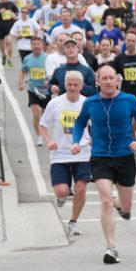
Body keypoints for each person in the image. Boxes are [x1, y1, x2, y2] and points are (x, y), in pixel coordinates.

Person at [72, 65, 136, 264]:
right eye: (103, 78)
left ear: (117, 80)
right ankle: (111, 247)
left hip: (125, 157)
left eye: (111, 78)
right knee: (105, 200)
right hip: (100, 157)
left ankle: (121, 205)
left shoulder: (129, 100)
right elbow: (80, 123)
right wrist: (76, 141)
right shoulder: (91, 102)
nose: (108, 82)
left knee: (126, 206)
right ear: (97, 81)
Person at [39, 71, 93, 237]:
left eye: (76, 84)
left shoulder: (88, 104)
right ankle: (61, 196)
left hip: (82, 153)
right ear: (64, 84)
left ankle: (73, 222)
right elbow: (43, 125)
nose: (72, 87)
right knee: (62, 191)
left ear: (81, 86)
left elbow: (97, 127)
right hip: (59, 154)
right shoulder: (55, 104)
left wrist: (90, 139)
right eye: (69, 84)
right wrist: (48, 141)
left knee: (81, 188)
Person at [18, 36, 51, 144]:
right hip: (33, 90)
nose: (37, 46)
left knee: (45, 115)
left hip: (45, 90)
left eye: (38, 44)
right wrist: (21, 83)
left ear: (42, 45)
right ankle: (39, 136)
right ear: (31, 46)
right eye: (34, 44)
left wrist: (49, 81)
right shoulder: (27, 58)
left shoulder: (48, 58)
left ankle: (44, 132)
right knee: (36, 113)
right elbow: (22, 71)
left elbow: (52, 73)